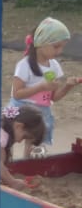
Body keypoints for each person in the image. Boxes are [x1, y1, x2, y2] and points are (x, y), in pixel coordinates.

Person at [7, 17, 81, 157]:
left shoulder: (54, 66)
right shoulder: (24, 65)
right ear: (41, 43)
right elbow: (17, 94)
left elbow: (53, 98)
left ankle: (28, 164)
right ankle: (5, 164)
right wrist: (41, 87)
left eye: (62, 47)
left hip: (41, 110)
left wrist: (67, 86)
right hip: (19, 108)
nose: (59, 51)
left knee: (34, 143)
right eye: (56, 46)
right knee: (8, 138)